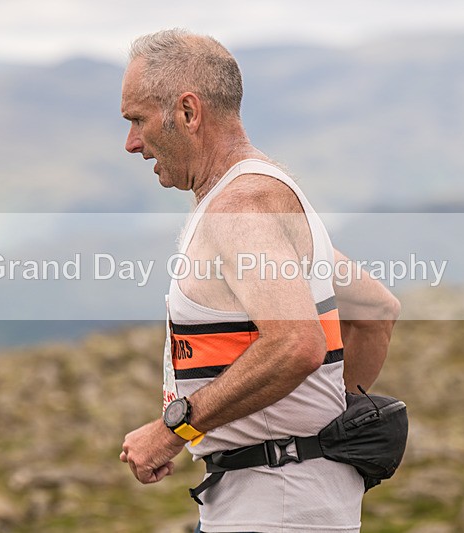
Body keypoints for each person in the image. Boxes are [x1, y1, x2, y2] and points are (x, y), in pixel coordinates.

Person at [119, 29, 400, 533]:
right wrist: (321, 433)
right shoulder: (263, 193)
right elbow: (375, 309)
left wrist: (172, 430)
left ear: (188, 111)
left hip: (274, 510)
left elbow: (296, 344)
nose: (132, 143)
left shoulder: (241, 207)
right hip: (288, 501)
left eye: (138, 119)